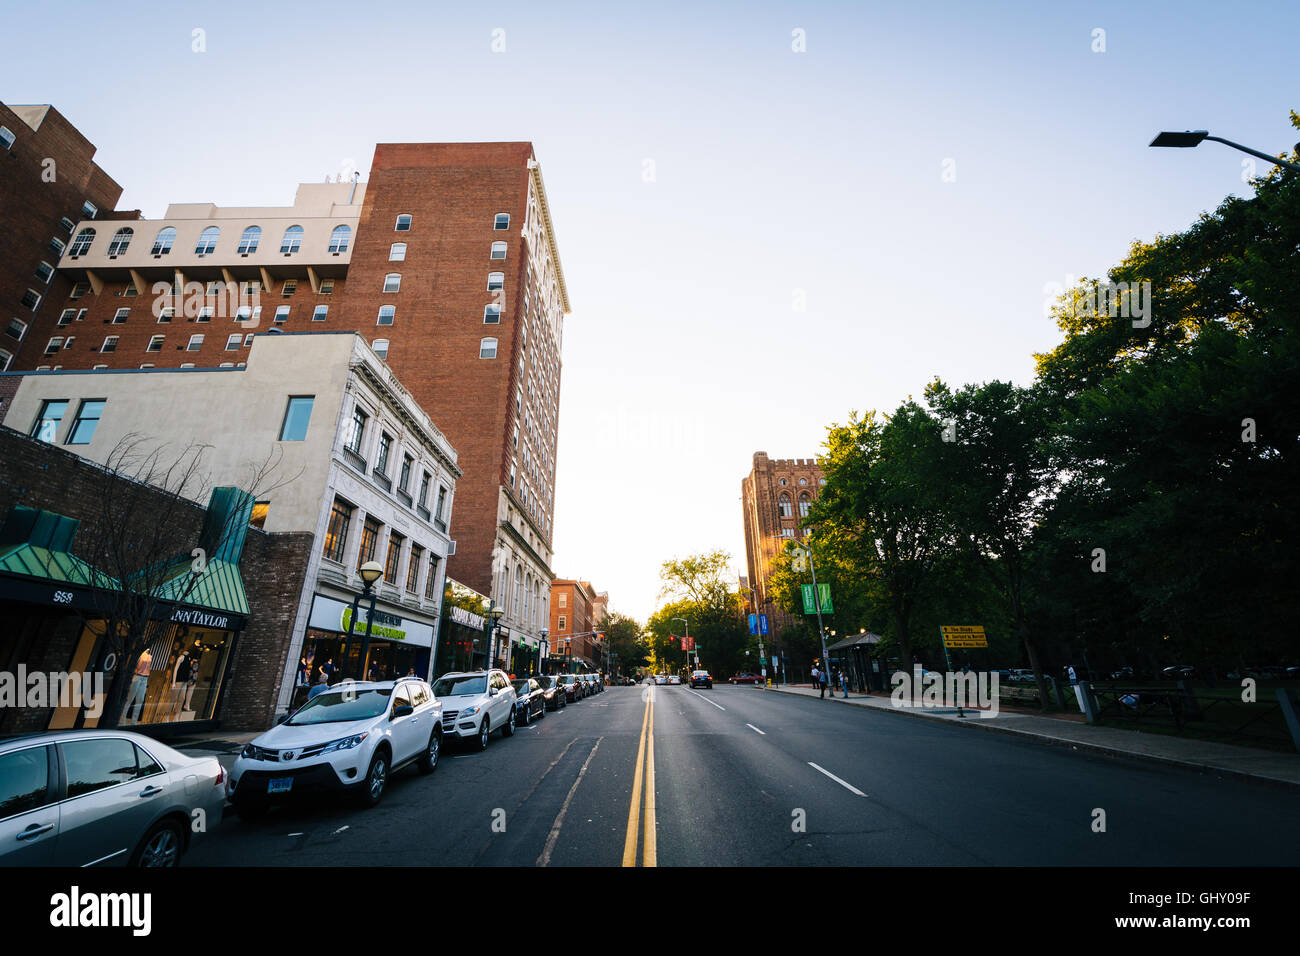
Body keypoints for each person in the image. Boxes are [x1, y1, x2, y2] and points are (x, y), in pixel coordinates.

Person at [123, 648, 152, 724]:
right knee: (130, 698)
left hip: (145, 678)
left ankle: (134, 721)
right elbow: (133, 665)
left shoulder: (150, 656)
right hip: (137, 676)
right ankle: (122, 719)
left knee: (140, 700)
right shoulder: (140, 654)